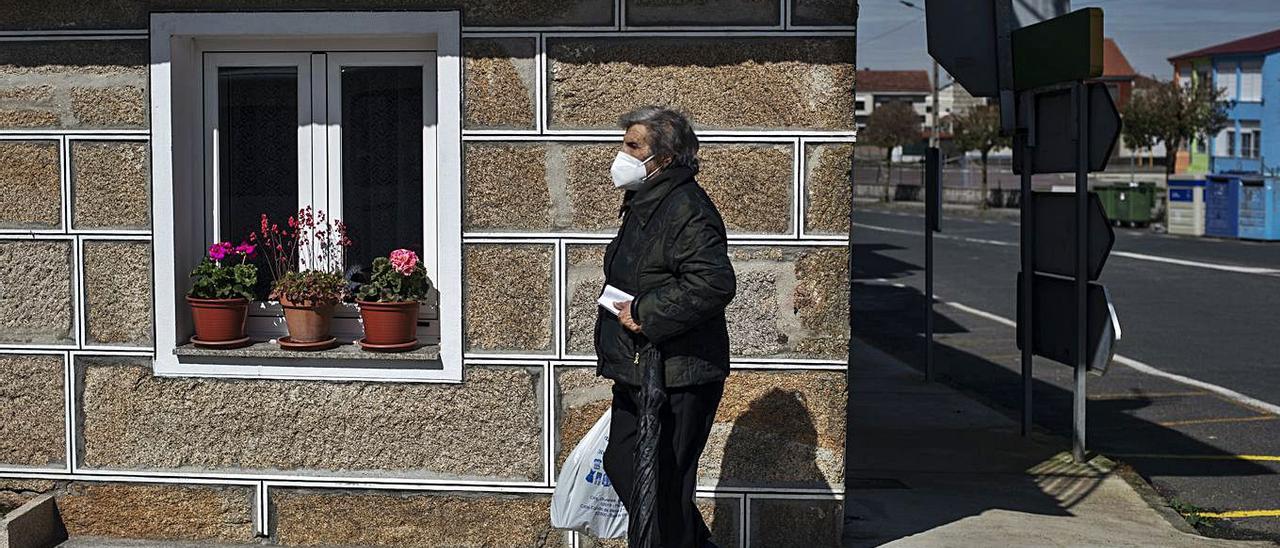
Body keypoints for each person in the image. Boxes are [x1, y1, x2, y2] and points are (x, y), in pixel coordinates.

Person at [595, 105, 736, 548]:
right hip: (642, 370)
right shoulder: (646, 204)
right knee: (628, 467)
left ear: (666, 157)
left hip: (678, 374)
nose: (622, 155)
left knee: (661, 486)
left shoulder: (686, 208)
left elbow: (714, 283)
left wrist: (647, 313)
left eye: (633, 146)